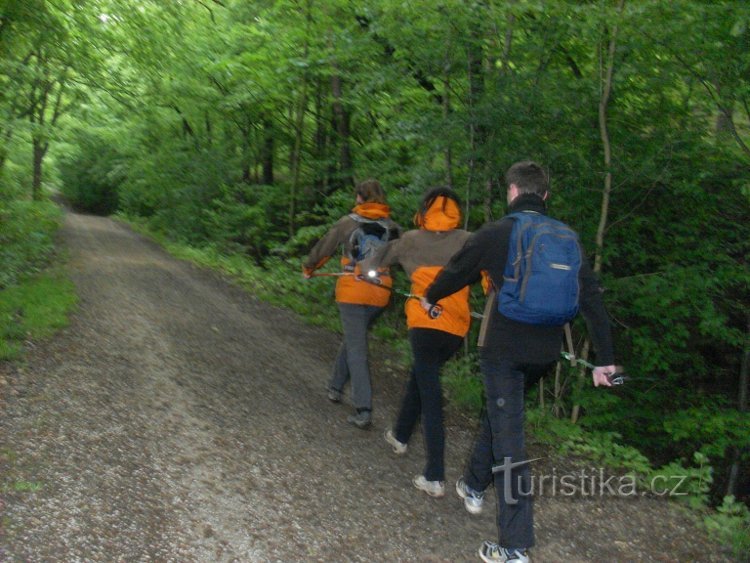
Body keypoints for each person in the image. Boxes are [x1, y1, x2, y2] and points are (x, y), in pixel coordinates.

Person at [422, 161, 616, 563]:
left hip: (503, 352)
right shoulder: (568, 238)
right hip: (544, 355)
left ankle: (513, 547)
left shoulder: (497, 233)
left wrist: (431, 297)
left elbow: (456, 271)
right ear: (544, 196)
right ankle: (474, 484)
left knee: (510, 442)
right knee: (500, 415)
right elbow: (592, 301)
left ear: (512, 192)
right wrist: (606, 360)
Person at [362, 187, 472, 498]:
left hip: (424, 324)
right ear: (455, 211)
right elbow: (488, 271)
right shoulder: (468, 240)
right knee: (422, 375)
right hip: (455, 328)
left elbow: (376, 260)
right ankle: (399, 435)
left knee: (430, 389)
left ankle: (435, 475)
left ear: (424, 211)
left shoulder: (410, 239)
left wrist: (367, 273)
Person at [303, 179, 400, 429]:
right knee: (353, 339)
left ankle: (363, 408)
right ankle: (335, 386)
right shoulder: (393, 227)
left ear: (360, 198)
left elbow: (325, 247)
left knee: (356, 347)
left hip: (352, 292)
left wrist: (309, 267)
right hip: (380, 294)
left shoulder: (348, 223)